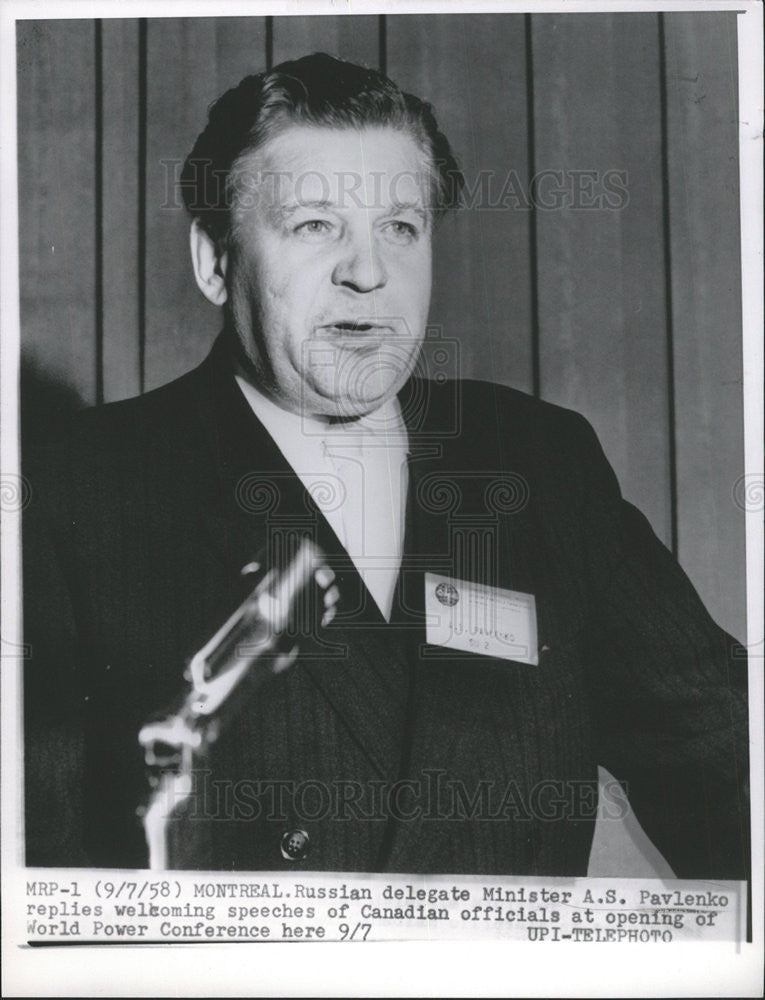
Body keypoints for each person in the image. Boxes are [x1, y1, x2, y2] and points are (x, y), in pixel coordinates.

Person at [23, 53, 749, 877]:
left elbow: (727, 760)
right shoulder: (75, 490)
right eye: (314, 225)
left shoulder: (538, 462)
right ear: (215, 263)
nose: (368, 273)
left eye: (400, 228)